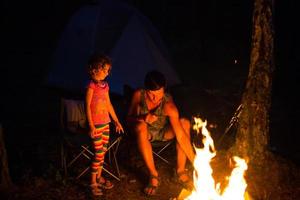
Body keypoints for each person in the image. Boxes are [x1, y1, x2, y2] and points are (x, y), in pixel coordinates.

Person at [126, 70, 195, 196]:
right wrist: (143, 118)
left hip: (162, 132)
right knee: (141, 126)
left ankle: (180, 171)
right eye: (151, 94)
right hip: (143, 132)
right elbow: (128, 119)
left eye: (159, 94)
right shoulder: (138, 95)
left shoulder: (168, 104)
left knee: (184, 123)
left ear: (164, 90)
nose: (155, 98)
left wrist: (196, 162)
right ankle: (153, 175)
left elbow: (180, 135)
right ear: (146, 89)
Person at [85, 53, 124, 197]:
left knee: (103, 152)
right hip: (96, 125)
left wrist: (116, 120)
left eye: (108, 70)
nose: (108, 72)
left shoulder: (105, 85)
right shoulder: (91, 85)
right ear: (95, 70)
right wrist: (91, 126)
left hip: (105, 123)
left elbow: (108, 104)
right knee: (98, 154)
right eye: (105, 69)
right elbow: (87, 106)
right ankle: (92, 183)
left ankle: (99, 177)